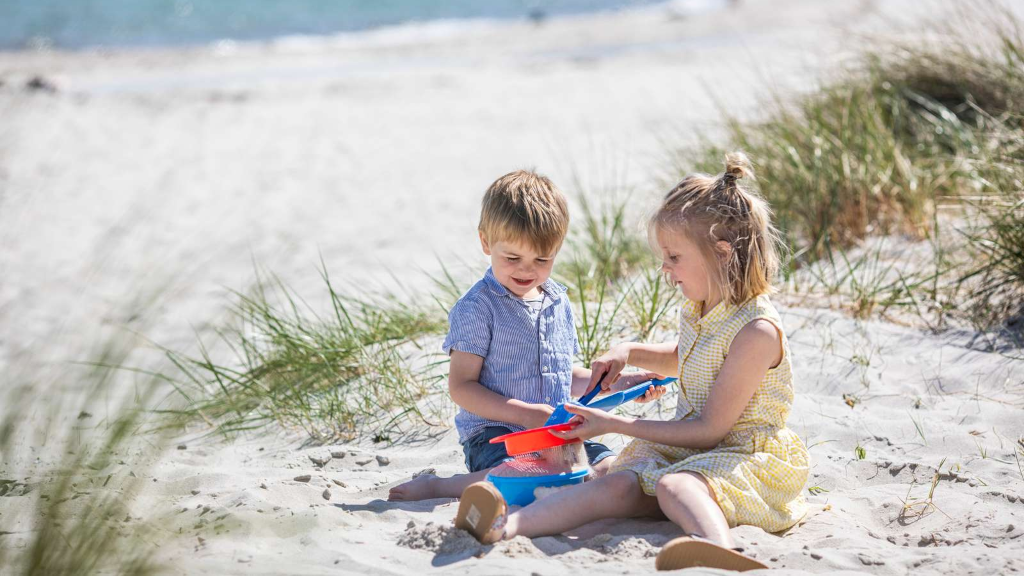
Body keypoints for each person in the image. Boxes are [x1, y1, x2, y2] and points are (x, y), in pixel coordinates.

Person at [453, 153, 809, 572]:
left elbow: (710, 429)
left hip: (739, 456)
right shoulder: (702, 308)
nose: (665, 269)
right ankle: (507, 527)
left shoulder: (757, 332)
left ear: (722, 253)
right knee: (616, 483)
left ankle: (718, 549)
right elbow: (686, 359)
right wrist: (629, 352)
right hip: (691, 452)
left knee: (676, 487)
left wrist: (613, 424)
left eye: (674, 257)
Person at [388, 169, 659, 502]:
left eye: (542, 259)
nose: (526, 270)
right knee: (532, 476)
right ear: (486, 242)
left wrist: (621, 383)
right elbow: (462, 387)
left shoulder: (558, 301)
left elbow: (563, 376)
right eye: (512, 258)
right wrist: (525, 413)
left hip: (556, 431)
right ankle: (440, 486)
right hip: (499, 435)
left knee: (613, 470)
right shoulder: (478, 307)